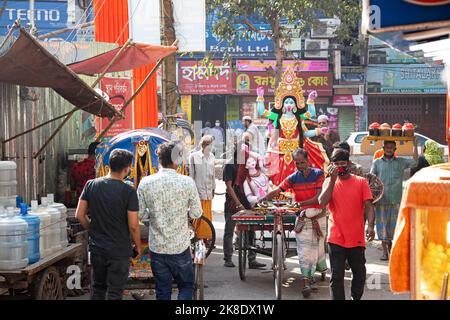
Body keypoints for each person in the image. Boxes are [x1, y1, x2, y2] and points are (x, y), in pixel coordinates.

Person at [138, 142, 202, 300]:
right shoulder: (187, 182)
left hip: (158, 248)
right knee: (186, 286)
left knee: (162, 291)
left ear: (158, 160)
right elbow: (196, 213)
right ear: (177, 160)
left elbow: (139, 214)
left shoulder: (146, 183)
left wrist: (152, 217)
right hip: (180, 246)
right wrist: (183, 212)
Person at [261, 148, 327, 298]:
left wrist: (300, 204)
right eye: (297, 163)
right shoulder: (293, 177)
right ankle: (306, 282)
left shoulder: (318, 174)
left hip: (319, 217)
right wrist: (264, 199)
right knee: (304, 251)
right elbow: (278, 190)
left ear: (308, 160)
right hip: (302, 218)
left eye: (302, 162)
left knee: (317, 249)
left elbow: (318, 198)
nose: (300, 165)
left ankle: (317, 272)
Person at [76, 149, 141, 300]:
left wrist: (93, 229)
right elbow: (133, 225)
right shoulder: (129, 191)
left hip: (97, 249)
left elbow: (80, 215)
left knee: (98, 290)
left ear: (109, 165)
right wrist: (137, 246)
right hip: (119, 251)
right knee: (115, 292)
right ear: (127, 168)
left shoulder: (91, 185)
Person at [318, 148, 375, 300]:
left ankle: (355, 298)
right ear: (331, 165)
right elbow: (322, 202)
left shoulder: (361, 182)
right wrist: (331, 179)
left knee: (359, 274)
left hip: (356, 238)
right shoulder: (328, 182)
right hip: (336, 237)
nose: (340, 167)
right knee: (336, 277)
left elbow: (369, 206)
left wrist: (370, 226)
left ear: (349, 164)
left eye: (342, 163)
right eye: (336, 164)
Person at [370, 140, 417, 261]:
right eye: (387, 147)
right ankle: (385, 253)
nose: (389, 149)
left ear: (395, 149)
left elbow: (415, 162)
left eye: (391, 147)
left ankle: (393, 251)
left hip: (396, 201)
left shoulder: (401, 162)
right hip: (381, 201)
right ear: (383, 148)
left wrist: (415, 145)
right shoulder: (377, 163)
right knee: (382, 228)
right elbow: (371, 179)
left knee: (395, 228)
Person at [222, 141, 266, 269]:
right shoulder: (230, 165)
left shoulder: (249, 165)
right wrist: (238, 204)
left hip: (247, 202)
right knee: (229, 231)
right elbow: (229, 187)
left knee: (251, 231)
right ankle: (228, 258)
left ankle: (252, 259)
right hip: (232, 203)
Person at [189, 135, 216, 241]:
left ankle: (207, 237)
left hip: (209, 190)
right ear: (204, 145)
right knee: (198, 214)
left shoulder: (212, 157)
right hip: (198, 191)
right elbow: (192, 175)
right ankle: (197, 236)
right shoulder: (193, 156)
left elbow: (213, 174)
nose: (211, 147)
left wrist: (214, 188)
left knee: (207, 215)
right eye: (210, 144)